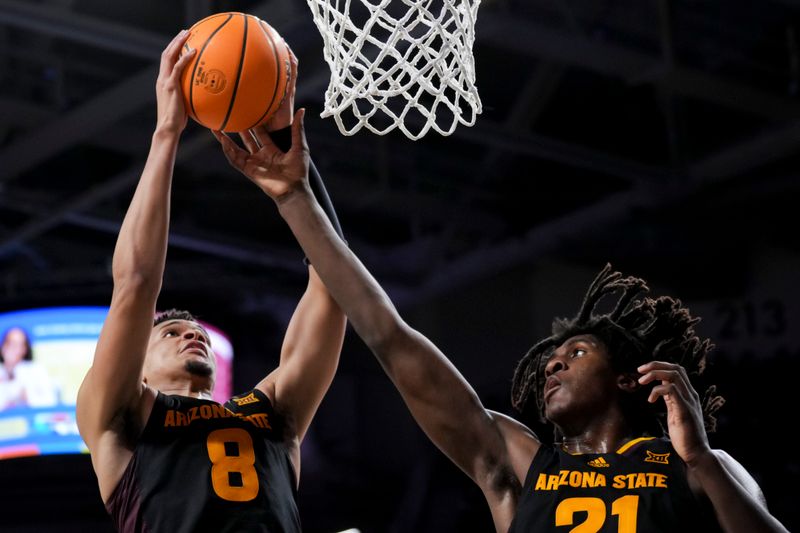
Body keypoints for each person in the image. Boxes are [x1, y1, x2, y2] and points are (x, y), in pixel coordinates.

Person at [213, 112, 791, 532]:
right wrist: (294, 198)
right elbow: (388, 335)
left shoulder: (695, 468)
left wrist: (702, 462)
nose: (554, 363)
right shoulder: (518, 463)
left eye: (578, 353)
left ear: (627, 378)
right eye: (551, 360)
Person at [76, 30, 347, 533]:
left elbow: (334, 286)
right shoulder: (122, 415)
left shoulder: (270, 415)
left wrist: (295, 174)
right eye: (171, 333)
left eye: (193, 330)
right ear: (140, 361)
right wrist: (166, 133)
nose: (191, 333)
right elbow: (135, 283)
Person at [0, 326, 58, 409]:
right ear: (3, 347)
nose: (13, 348)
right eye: (10, 343)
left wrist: (27, 397)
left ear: (24, 349)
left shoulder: (36, 370)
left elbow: (50, 402)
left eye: (18, 345)